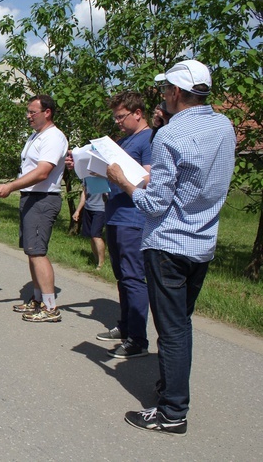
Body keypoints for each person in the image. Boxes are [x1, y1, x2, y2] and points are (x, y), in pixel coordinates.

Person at [108, 59, 236, 436]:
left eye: (165, 90)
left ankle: (172, 412)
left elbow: (153, 206)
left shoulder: (168, 136)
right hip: (203, 242)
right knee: (181, 323)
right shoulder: (224, 126)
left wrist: (126, 182)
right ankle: (169, 387)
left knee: (173, 330)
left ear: (177, 93)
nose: (162, 96)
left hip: (167, 245)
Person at [0, 94, 68, 323]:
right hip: (31, 197)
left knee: (38, 251)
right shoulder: (37, 136)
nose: (28, 116)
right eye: (27, 112)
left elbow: (43, 171)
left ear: (48, 112)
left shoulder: (53, 137)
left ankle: (50, 307)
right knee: (31, 251)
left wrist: (11, 186)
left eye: (32, 112)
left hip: (43, 198)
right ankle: (37, 300)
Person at [97, 91, 153, 359]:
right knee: (122, 277)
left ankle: (138, 340)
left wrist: (119, 179)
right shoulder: (124, 140)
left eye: (121, 116)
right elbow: (112, 178)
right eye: (115, 117)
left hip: (134, 218)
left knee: (133, 278)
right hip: (115, 215)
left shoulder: (149, 139)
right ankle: (126, 325)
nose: (117, 121)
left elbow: (149, 179)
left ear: (138, 113)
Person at [72, 178, 106, 270]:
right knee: (92, 235)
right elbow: (84, 193)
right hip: (88, 208)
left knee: (96, 235)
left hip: (100, 209)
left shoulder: (104, 175)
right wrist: (78, 211)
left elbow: (108, 193)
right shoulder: (86, 176)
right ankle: (96, 259)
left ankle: (101, 263)